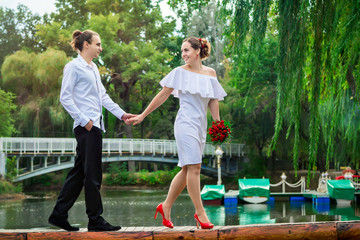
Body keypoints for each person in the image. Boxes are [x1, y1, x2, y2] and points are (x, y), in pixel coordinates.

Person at [127, 37, 226, 229]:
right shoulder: (179, 72)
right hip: (185, 124)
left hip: (200, 126)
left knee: (187, 169)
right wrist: (143, 115)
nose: (183, 54)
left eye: (187, 50)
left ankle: (165, 206)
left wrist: (218, 125)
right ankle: (200, 213)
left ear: (198, 51)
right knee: (195, 167)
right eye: (182, 51)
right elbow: (162, 95)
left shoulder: (211, 73)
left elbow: (213, 100)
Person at [48, 30, 135, 232]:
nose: (100, 48)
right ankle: (95, 220)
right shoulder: (73, 67)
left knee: (79, 173)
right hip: (87, 127)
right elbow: (65, 97)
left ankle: (59, 215)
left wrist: (122, 114)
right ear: (86, 44)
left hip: (95, 125)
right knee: (93, 175)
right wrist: (84, 120)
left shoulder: (93, 68)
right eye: (97, 44)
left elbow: (103, 97)